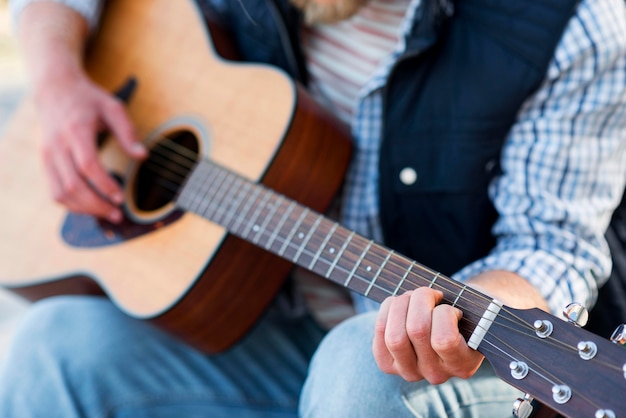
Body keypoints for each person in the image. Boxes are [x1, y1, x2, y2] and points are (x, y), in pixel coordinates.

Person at [1, 0, 626, 416]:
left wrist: (458, 319)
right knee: (52, 347)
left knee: (357, 361)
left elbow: (551, 246)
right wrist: (57, 81)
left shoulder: (570, 24)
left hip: (442, 363)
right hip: (262, 330)